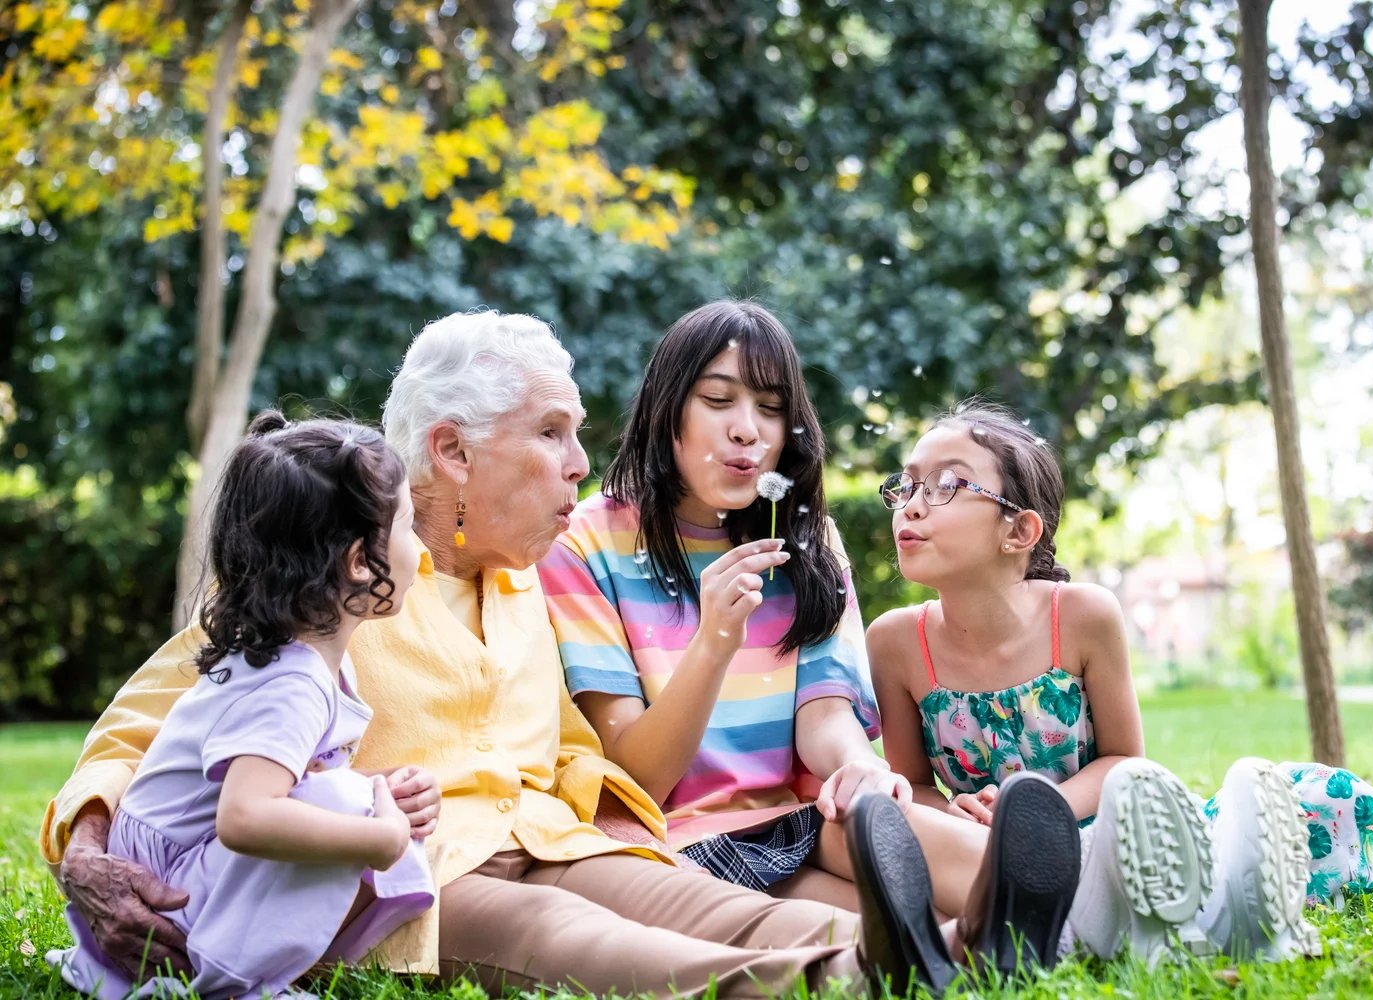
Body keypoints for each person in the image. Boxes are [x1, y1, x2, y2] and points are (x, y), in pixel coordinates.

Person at [38, 310, 1025, 997]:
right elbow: (142, 728)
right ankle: (847, 977)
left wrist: (646, 825)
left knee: (695, 902)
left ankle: (948, 944)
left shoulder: (523, 588)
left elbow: (578, 758)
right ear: (455, 453)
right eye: (551, 433)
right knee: (584, 945)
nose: (579, 464)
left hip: (556, 839)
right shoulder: (326, 583)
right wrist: (87, 856)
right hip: (421, 879)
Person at [538, 300, 1083, 972]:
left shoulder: (804, 539)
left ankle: (1098, 911)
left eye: (769, 409)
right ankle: (1013, 942)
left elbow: (822, 714)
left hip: (805, 815)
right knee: (890, 940)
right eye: (718, 400)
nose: (747, 431)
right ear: (666, 408)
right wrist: (714, 640)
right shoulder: (584, 544)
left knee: (958, 858)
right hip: (683, 844)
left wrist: (857, 764)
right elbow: (639, 774)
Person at [867, 401, 1373, 962]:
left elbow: (1125, 762)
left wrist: (1036, 809)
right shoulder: (895, 643)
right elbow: (914, 788)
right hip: (988, 849)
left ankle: (1211, 890)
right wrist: (962, 816)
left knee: (1299, 804)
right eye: (904, 487)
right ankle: (1211, 906)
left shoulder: (1082, 616)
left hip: (1112, 830)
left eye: (946, 484)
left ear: (1019, 530)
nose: (911, 507)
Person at [48, 413, 435, 999]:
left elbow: (275, 780)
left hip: (179, 869)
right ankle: (231, 983)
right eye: (407, 527)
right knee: (349, 805)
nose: (420, 546)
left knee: (355, 797)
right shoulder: (294, 681)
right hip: (166, 898)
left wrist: (380, 793)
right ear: (359, 561)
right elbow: (246, 817)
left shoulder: (292, 654)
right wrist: (380, 838)